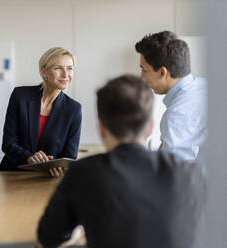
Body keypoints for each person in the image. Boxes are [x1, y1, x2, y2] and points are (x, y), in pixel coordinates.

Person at [38, 75, 205, 247]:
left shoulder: (83, 173)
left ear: (101, 128)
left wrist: (77, 234)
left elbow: (48, 237)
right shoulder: (188, 172)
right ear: (150, 127)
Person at [0, 47, 82, 176]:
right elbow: (8, 143)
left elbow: (70, 155)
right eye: (58, 68)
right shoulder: (20, 96)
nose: (66, 74)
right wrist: (29, 157)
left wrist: (58, 166)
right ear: (44, 72)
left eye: (70, 68)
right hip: (13, 174)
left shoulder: (73, 109)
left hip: (47, 177)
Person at [135, 31, 207, 161]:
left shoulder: (178, 115)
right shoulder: (203, 87)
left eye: (144, 70)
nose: (142, 77)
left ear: (163, 72)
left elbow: (169, 173)